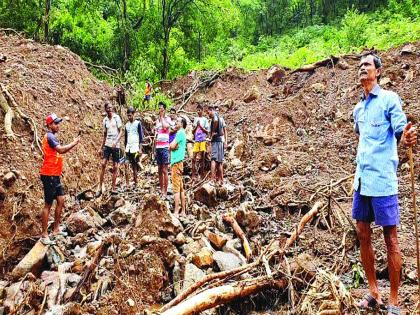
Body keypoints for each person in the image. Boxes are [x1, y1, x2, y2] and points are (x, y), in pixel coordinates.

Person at [352, 53, 417, 315]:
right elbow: (361, 137)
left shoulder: (389, 99)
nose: (362, 69)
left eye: (367, 65)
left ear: (378, 71)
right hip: (362, 179)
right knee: (363, 234)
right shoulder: (358, 110)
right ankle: (373, 292)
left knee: (390, 237)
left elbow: (401, 130)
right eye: (360, 66)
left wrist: (407, 137)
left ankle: (393, 300)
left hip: (383, 180)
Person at [40, 113, 80, 244]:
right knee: (48, 204)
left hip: (54, 174)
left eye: (58, 123)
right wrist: (74, 143)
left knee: (61, 200)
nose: (58, 126)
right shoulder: (50, 137)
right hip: (49, 174)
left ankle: (56, 229)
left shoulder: (52, 136)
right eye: (55, 123)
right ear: (50, 125)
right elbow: (61, 150)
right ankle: (44, 235)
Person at [97, 103, 123, 196]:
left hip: (115, 145)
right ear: (105, 110)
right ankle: (100, 187)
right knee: (103, 164)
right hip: (108, 144)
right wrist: (101, 147)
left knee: (115, 166)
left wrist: (116, 142)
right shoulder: (105, 120)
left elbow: (121, 131)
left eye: (111, 108)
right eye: (108, 108)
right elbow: (104, 135)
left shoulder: (117, 118)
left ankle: (113, 187)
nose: (109, 109)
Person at [169, 117, 187, 216]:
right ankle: (183, 211)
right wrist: (172, 146)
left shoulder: (180, 133)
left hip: (176, 162)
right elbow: (172, 146)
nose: (176, 122)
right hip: (179, 162)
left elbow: (171, 146)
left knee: (176, 188)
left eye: (178, 121)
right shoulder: (182, 133)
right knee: (180, 188)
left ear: (182, 124)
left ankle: (176, 211)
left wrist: (172, 146)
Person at [155, 101, 172, 197]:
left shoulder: (167, 119)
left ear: (164, 110)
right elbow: (156, 133)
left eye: (161, 108)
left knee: (165, 170)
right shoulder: (157, 121)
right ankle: (161, 189)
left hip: (165, 147)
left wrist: (161, 118)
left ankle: (165, 191)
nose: (160, 110)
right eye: (159, 108)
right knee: (159, 169)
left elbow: (165, 127)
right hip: (158, 147)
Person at [124, 107, 143, 188]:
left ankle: (136, 182)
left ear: (134, 115)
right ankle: (127, 183)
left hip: (135, 148)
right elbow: (125, 138)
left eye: (130, 115)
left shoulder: (138, 123)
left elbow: (141, 137)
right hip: (128, 148)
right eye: (128, 116)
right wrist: (125, 147)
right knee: (126, 164)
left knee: (134, 166)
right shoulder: (126, 125)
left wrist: (140, 149)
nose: (129, 117)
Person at [207, 106, 225, 185]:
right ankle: (221, 180)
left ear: (212, 110)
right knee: (220, 162)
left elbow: (215, 121)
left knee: (213, 160)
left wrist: (212, 133)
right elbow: (222, 133)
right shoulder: (220, 118)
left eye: (208, 112)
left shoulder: (215, 117)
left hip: (216, 141)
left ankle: (212, 179)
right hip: (220, 141)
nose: (208, 114)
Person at [192, 104, 209, 180]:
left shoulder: (205, 120)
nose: (198, 111)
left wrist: (200, 126)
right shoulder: (195, 119)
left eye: (200, 110)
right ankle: (193, 175)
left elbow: (207, 131)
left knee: (202, 157)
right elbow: (193, 131)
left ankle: (202, 174)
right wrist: (196, 126)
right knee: (193, 158)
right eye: (197, 110)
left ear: (202, 110)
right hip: (196, 140)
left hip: (202, 140)